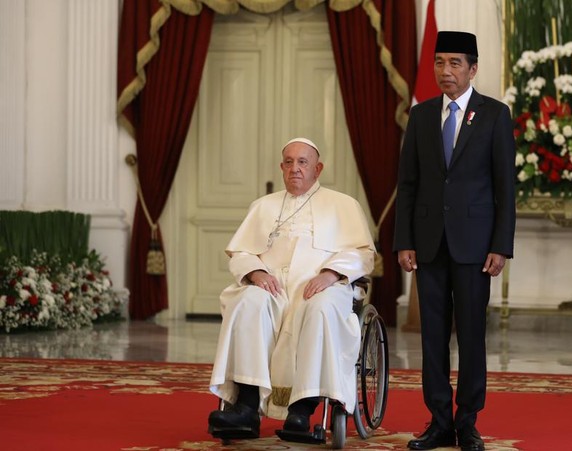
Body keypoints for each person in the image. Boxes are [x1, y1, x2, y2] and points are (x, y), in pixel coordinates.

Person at [394, 31, 516, 451]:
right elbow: (407, 184)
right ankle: (439, 420)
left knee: (470, 335)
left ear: (473, 68)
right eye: (439, 62)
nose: (445, 71)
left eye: (455, 64)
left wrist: (500, 245)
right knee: (431, 338)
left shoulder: (495, 115)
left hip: (475, 247)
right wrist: (403, 241)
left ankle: (468, 422)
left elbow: (505, 187)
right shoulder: (422, 116)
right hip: (428, 245)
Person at [207, 137, 375, 440]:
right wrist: (256, 272)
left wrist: (330, 273)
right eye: (289, 162)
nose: (294, 169)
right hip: (272, 287)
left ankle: (303, 408)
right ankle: (246, 407)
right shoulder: (263, 206)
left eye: (302, 162)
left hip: (321, 286)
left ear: (317, 168)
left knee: (321, 308)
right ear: (281, 167)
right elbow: (241, 252)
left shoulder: (343, 205)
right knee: (248, 303)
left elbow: (363, 254)